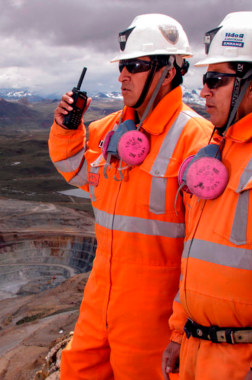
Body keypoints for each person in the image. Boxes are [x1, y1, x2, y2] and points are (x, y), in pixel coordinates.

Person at [48, 14, 214, 380]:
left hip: (152, 320)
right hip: (99, 303)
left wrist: (178, 330)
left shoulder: (199, 142)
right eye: (123, 66)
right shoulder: (107, 130)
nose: (123, 75)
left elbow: (204, 255)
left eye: (135, 66)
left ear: (169, 72)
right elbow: (77, 171)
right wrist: (66, 128)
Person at [162, 12, 252, 380]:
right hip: (198, 351)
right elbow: (196, 259)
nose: (203, 91)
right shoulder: (214, 155)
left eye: (216, 79)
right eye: (204, 79)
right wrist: (179, 334)